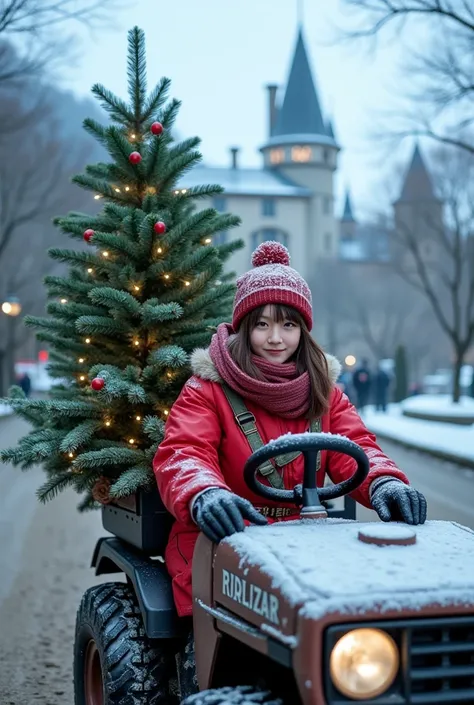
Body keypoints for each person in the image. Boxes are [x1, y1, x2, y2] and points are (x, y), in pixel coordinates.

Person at [153, 241, 427, 694]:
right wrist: (206, 493)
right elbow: (184, 453)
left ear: (304, 329)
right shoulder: (208, 389)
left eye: (288, 324)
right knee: (220, 651)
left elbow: (356, 445)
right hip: (227, 537)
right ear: (243, 328)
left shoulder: (324, 390)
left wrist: (383, 483)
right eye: (261, 324)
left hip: (308, 542)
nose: (275, 338)